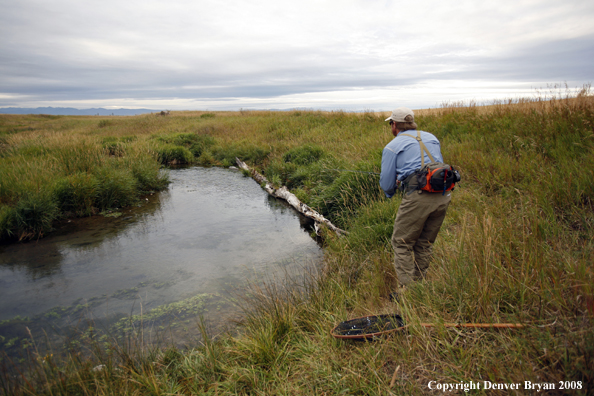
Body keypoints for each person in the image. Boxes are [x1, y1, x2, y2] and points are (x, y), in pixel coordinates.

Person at [380, 107, 451, 289]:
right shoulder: (432, 138)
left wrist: (392, 190)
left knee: (401, 243)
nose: (391, 127)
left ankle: (408, 292)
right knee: (425, 242)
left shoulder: (392, 147)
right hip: (443, 195)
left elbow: (387, 185)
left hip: (418, 197)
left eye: (391, 124)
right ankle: (420, 285)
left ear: (394, 124)